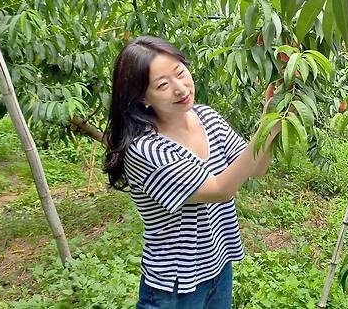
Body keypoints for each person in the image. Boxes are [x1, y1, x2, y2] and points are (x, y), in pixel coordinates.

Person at [103, 36, 278, 308]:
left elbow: (257, 167)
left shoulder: (207, 117)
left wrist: (273, 123)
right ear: (142, 98)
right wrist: (267, 124)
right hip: (175, 284)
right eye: (162, 85)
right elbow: (219, 190)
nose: (180, 87)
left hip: (218, 267)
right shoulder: (146, 149)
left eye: (180, 73)